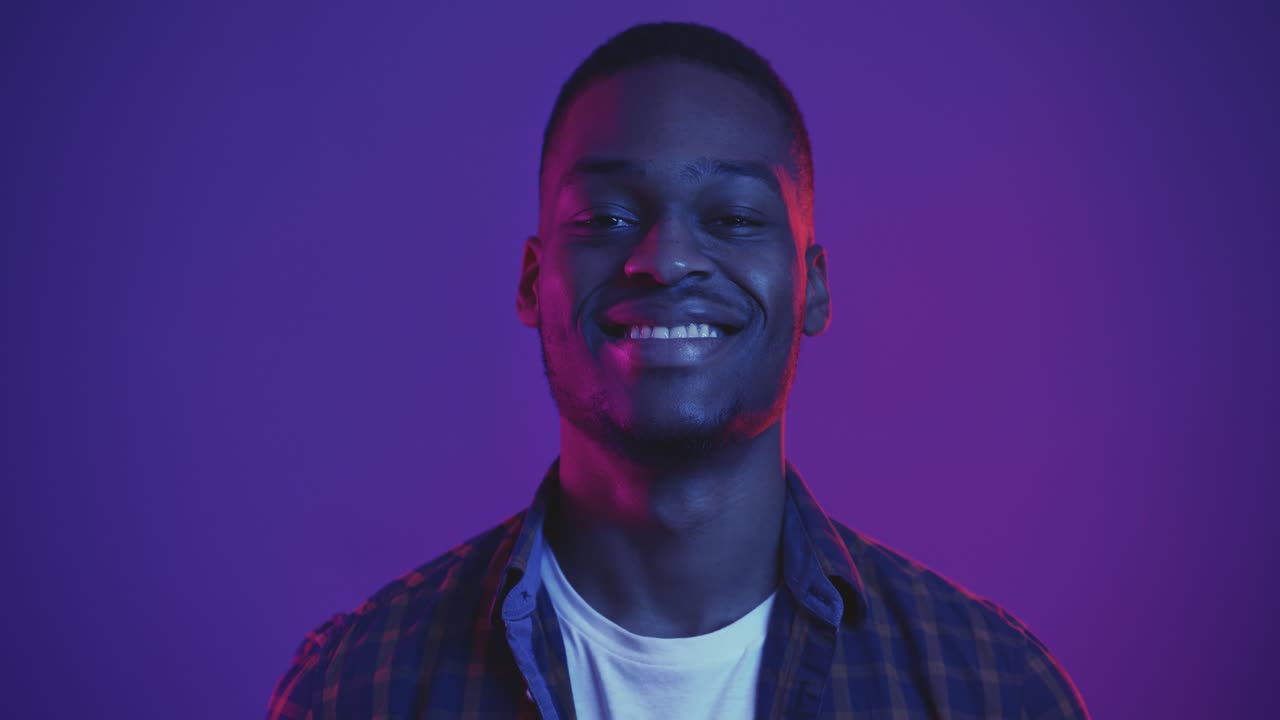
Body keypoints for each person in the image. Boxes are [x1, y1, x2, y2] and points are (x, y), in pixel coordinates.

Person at [266, 21, 1089, 720]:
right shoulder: (359, 688)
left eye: (733, 217)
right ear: (531, 280)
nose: (664, 259)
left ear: (813, 288)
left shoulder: (990, 691)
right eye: (606, 217)